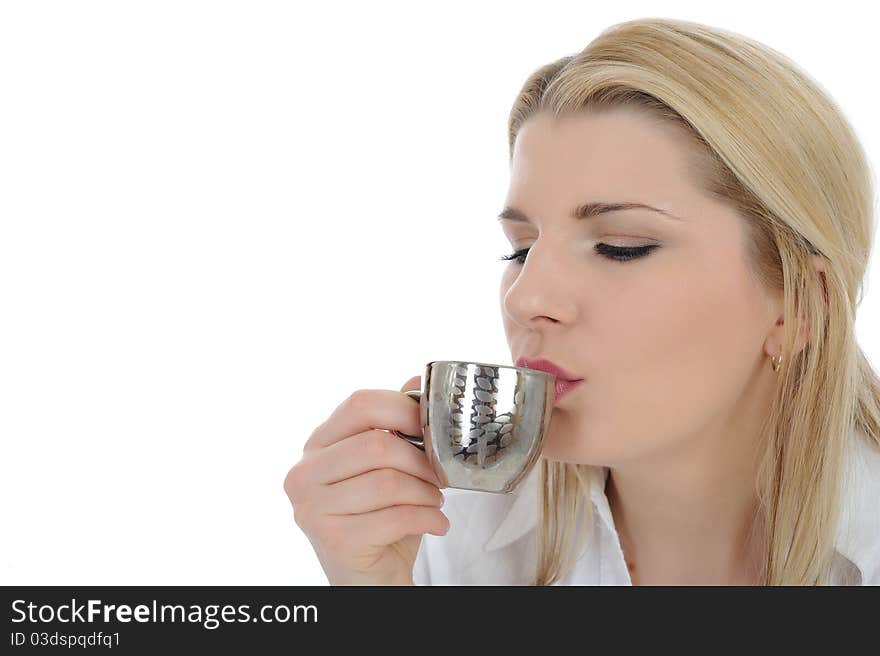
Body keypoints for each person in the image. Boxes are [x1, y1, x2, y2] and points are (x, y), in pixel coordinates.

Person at [283, 17, 880, 585]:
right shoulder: (440, 536)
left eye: (621, 247)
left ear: (804, 307)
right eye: (520, 250)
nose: (526, 298)